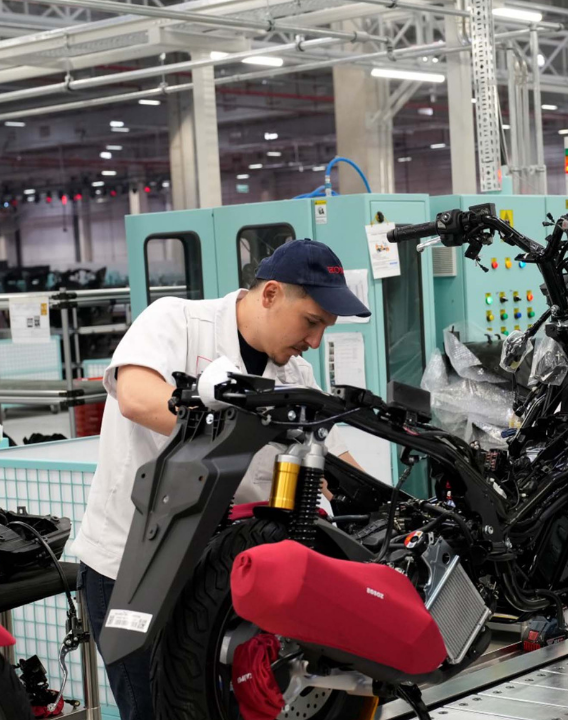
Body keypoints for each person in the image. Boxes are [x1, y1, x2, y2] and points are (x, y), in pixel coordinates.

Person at [68, 238, 370, 720]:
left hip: (222, 579)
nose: (315, 341)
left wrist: (382, 502)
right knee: (155, 712)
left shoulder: (296, 374)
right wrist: (241, 425)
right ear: (270, 294)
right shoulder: (178, 322)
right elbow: (136, 396)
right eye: (311, 322)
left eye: (324, 329)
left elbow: (334, 461)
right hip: (135, 567)